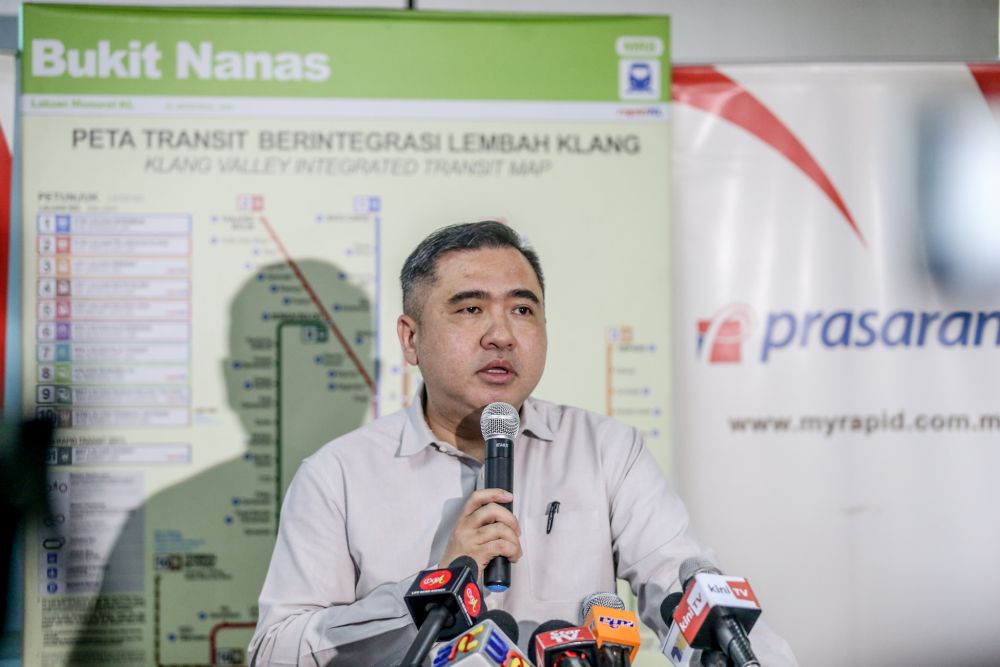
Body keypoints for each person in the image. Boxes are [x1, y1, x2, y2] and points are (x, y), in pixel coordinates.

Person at [248, 221, 798, 666]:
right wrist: (422, 595)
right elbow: (276, 651)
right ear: (411, 339)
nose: (502, 334)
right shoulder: (337, 476)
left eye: (522, 309)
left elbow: (683, 589)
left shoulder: (606, 450)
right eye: (469, 309)